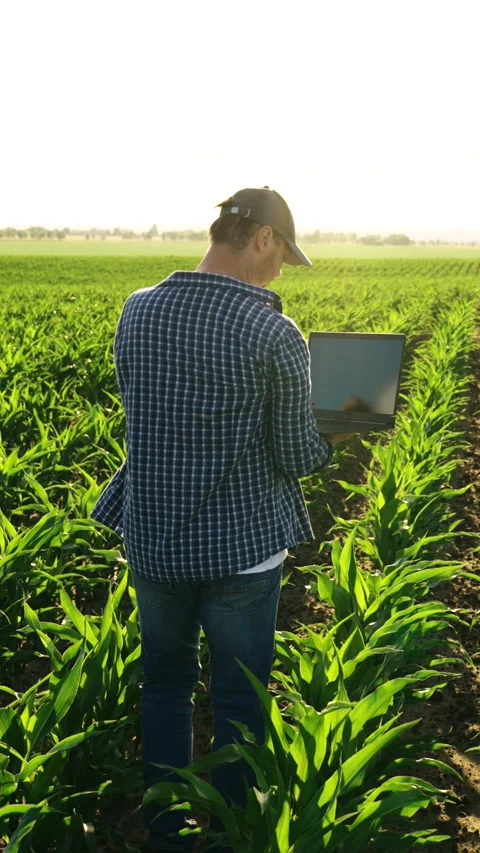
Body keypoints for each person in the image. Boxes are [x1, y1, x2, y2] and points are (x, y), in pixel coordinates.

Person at [91, 187, 353, 853]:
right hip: (242, 552)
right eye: (283, 257)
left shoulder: (137, 310)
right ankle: (234, 833)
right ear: (262, 237)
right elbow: (296, 454)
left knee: (167, 686)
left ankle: (168, 832)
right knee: (238, 700)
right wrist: (345, 430)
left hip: (153, 542)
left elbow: (144, 418)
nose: (280, 272)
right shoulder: (273, 332)